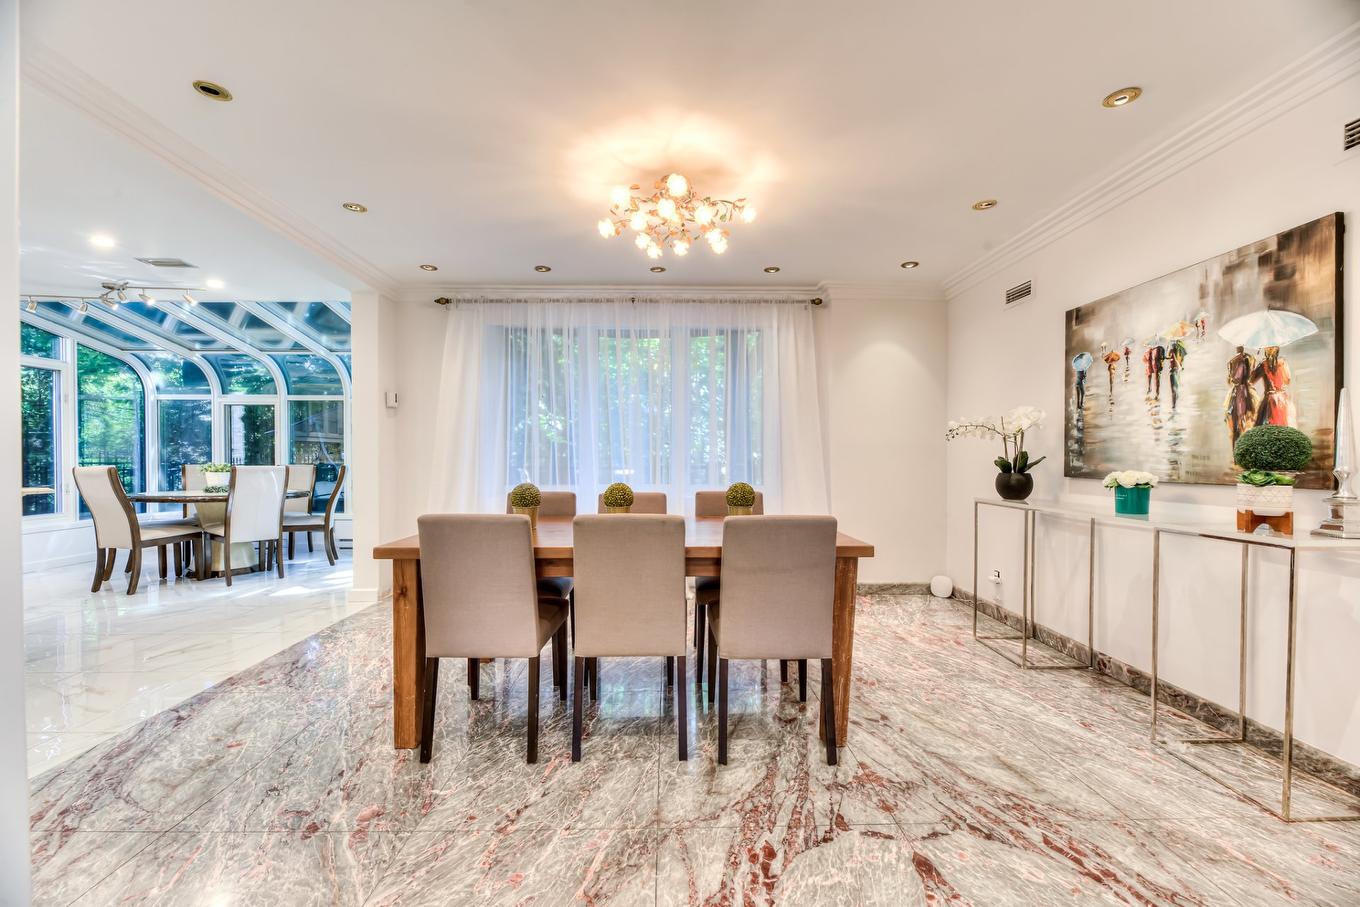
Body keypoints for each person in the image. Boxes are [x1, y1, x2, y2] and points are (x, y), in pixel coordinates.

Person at [1252, 345, 1295, 426]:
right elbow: (1287, 381)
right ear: (1277, 351)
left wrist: (1254, 362)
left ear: (1266, 351)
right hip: (1282, 400)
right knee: (1282, 426)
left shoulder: (1263, 364)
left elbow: (1251, 380)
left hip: (1269, 400)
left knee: (1263, 427)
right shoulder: (1282, 363)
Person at [1224, 346, 1258, 444]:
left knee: (1239, 418)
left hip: (1240, 391)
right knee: (1242, 417)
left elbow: (1231, 380)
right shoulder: (1248, 359)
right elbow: (1250, 378)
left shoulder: (1235, 361)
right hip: (1242, 391)